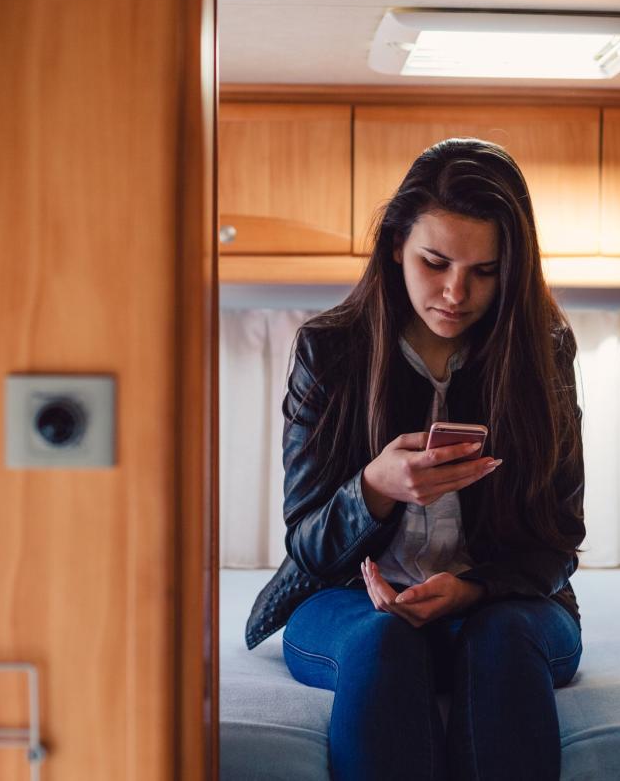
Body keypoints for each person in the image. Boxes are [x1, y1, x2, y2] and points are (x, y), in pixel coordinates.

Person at [244, 138, 586, 781]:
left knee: (504, 641)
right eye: (435, 262)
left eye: (485, 271)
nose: (457, 292)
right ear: (395, 245)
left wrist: (473, 589)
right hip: (346, 598)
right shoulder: (330, 352)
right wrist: (372, 488)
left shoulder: (544, 355)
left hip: (502, 604)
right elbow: (308, 546)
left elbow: (559, 542)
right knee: (383, 642)